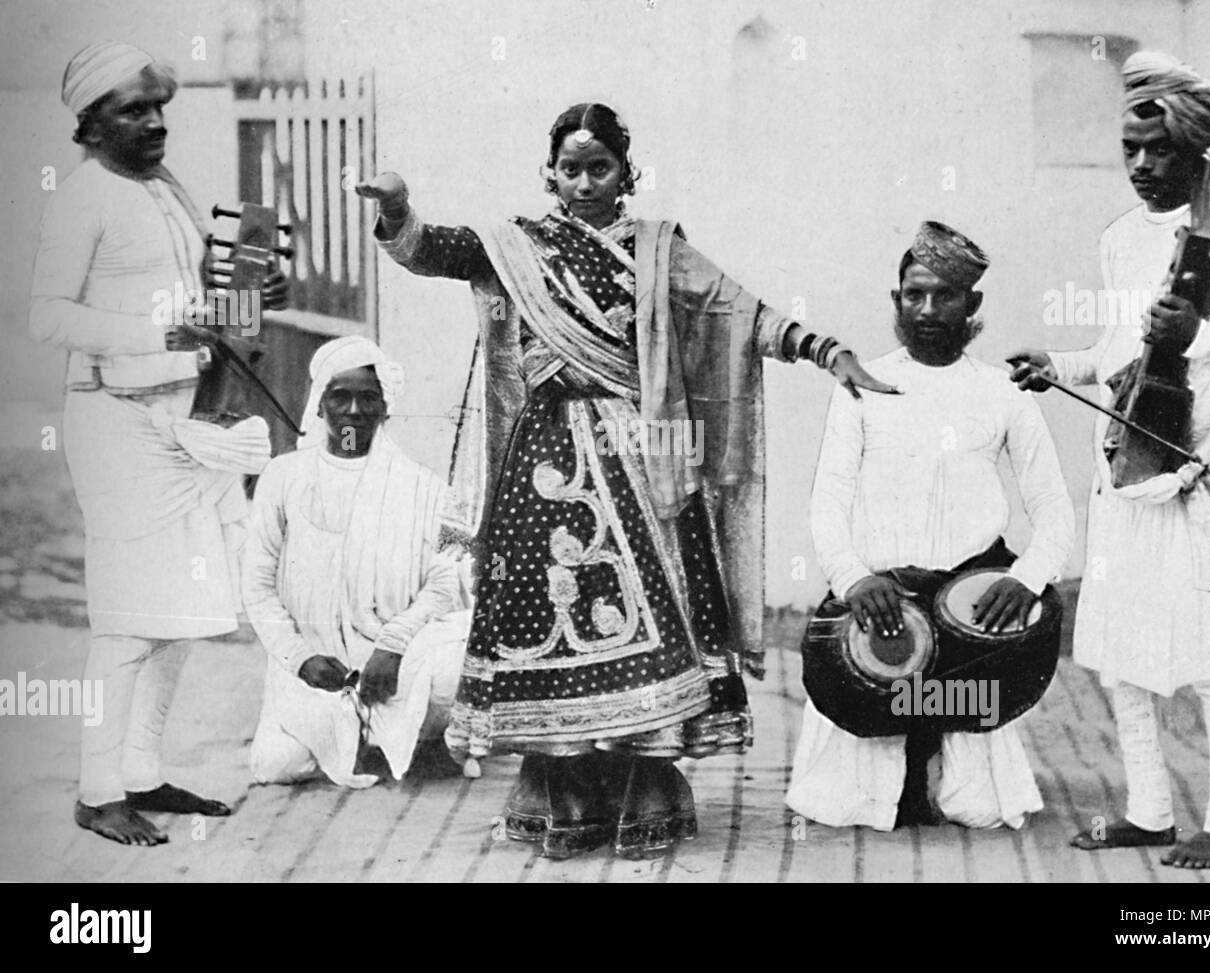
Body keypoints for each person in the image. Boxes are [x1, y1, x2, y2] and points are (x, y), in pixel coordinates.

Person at [356, 102, 896, 859]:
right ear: (550, 173)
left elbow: (735, 308)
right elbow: (431, 250)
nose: (583, 182)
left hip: (640, 459)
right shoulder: (516, 246)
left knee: (651, 615)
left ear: (626, 175)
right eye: (570, 168)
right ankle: (559, 785)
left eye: (599, 168)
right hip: (539, 463)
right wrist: (397, 209)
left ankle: (647, 781)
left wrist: (826, 350)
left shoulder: (657, 250)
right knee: (545, 619)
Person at [1010, 51, 1210, 869]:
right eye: (1131, 149)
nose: (1140, 166)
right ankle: (1148, 811)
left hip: (1200, 484)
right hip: (1129, 474)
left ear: (1199, 158)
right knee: (1121, 663)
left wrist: (1202, 338)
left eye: (1159, 151)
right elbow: (1118, 350)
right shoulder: (1116, 240)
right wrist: (1059, 366)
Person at [29, 41, 287, 846]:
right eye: (131, 110)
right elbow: (48, 318)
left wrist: (255, 290)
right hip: (115, 420)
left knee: (180, 610)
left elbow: (202, 295)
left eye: (157, 107)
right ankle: (97, 789)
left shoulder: (166, 190)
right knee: (127, 617)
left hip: (183, 414)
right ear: (90, 121)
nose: (152, 123)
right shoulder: (82, 198)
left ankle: (142, 772)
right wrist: (153, 327)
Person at [787, 222, 1075, 831]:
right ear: (896, 301)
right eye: (913, 295)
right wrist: (853, 579)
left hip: (971, 607)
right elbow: (828, 503)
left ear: (972, 305)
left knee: (977, 808)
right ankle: (894, 771)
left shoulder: (1004, 392)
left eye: (945, 296)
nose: (926, 310)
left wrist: (1025, 578)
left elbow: (1054, 510)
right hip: (884, 601)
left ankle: (945, 765)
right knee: (850, 800)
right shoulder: (861, 386)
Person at [243, 336, 472, 787]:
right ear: (319, 404)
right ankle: (365, 738)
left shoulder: (426, 488)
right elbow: (257, 586)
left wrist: (392, 645)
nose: (353, 411)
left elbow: (445, 581)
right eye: (339, 397)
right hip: (315, 667)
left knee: (452, 670)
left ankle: (419, 738)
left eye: (368, 398)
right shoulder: (283, 477)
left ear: (386, 407)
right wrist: (300, 657)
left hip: (396, 662)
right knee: (277, 765)